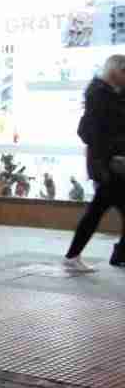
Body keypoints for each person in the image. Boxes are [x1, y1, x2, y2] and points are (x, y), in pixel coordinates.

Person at [65, 54, 125, 272]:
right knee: (95, 212)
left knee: (96, 211)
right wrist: (110, 158)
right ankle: (72, 256)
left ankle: (74, 256)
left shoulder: (111, 94)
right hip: (108, 166)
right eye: (124, 72)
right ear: (114, 71)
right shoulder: (100, 96)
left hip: (111, 165)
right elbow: (93, 133)